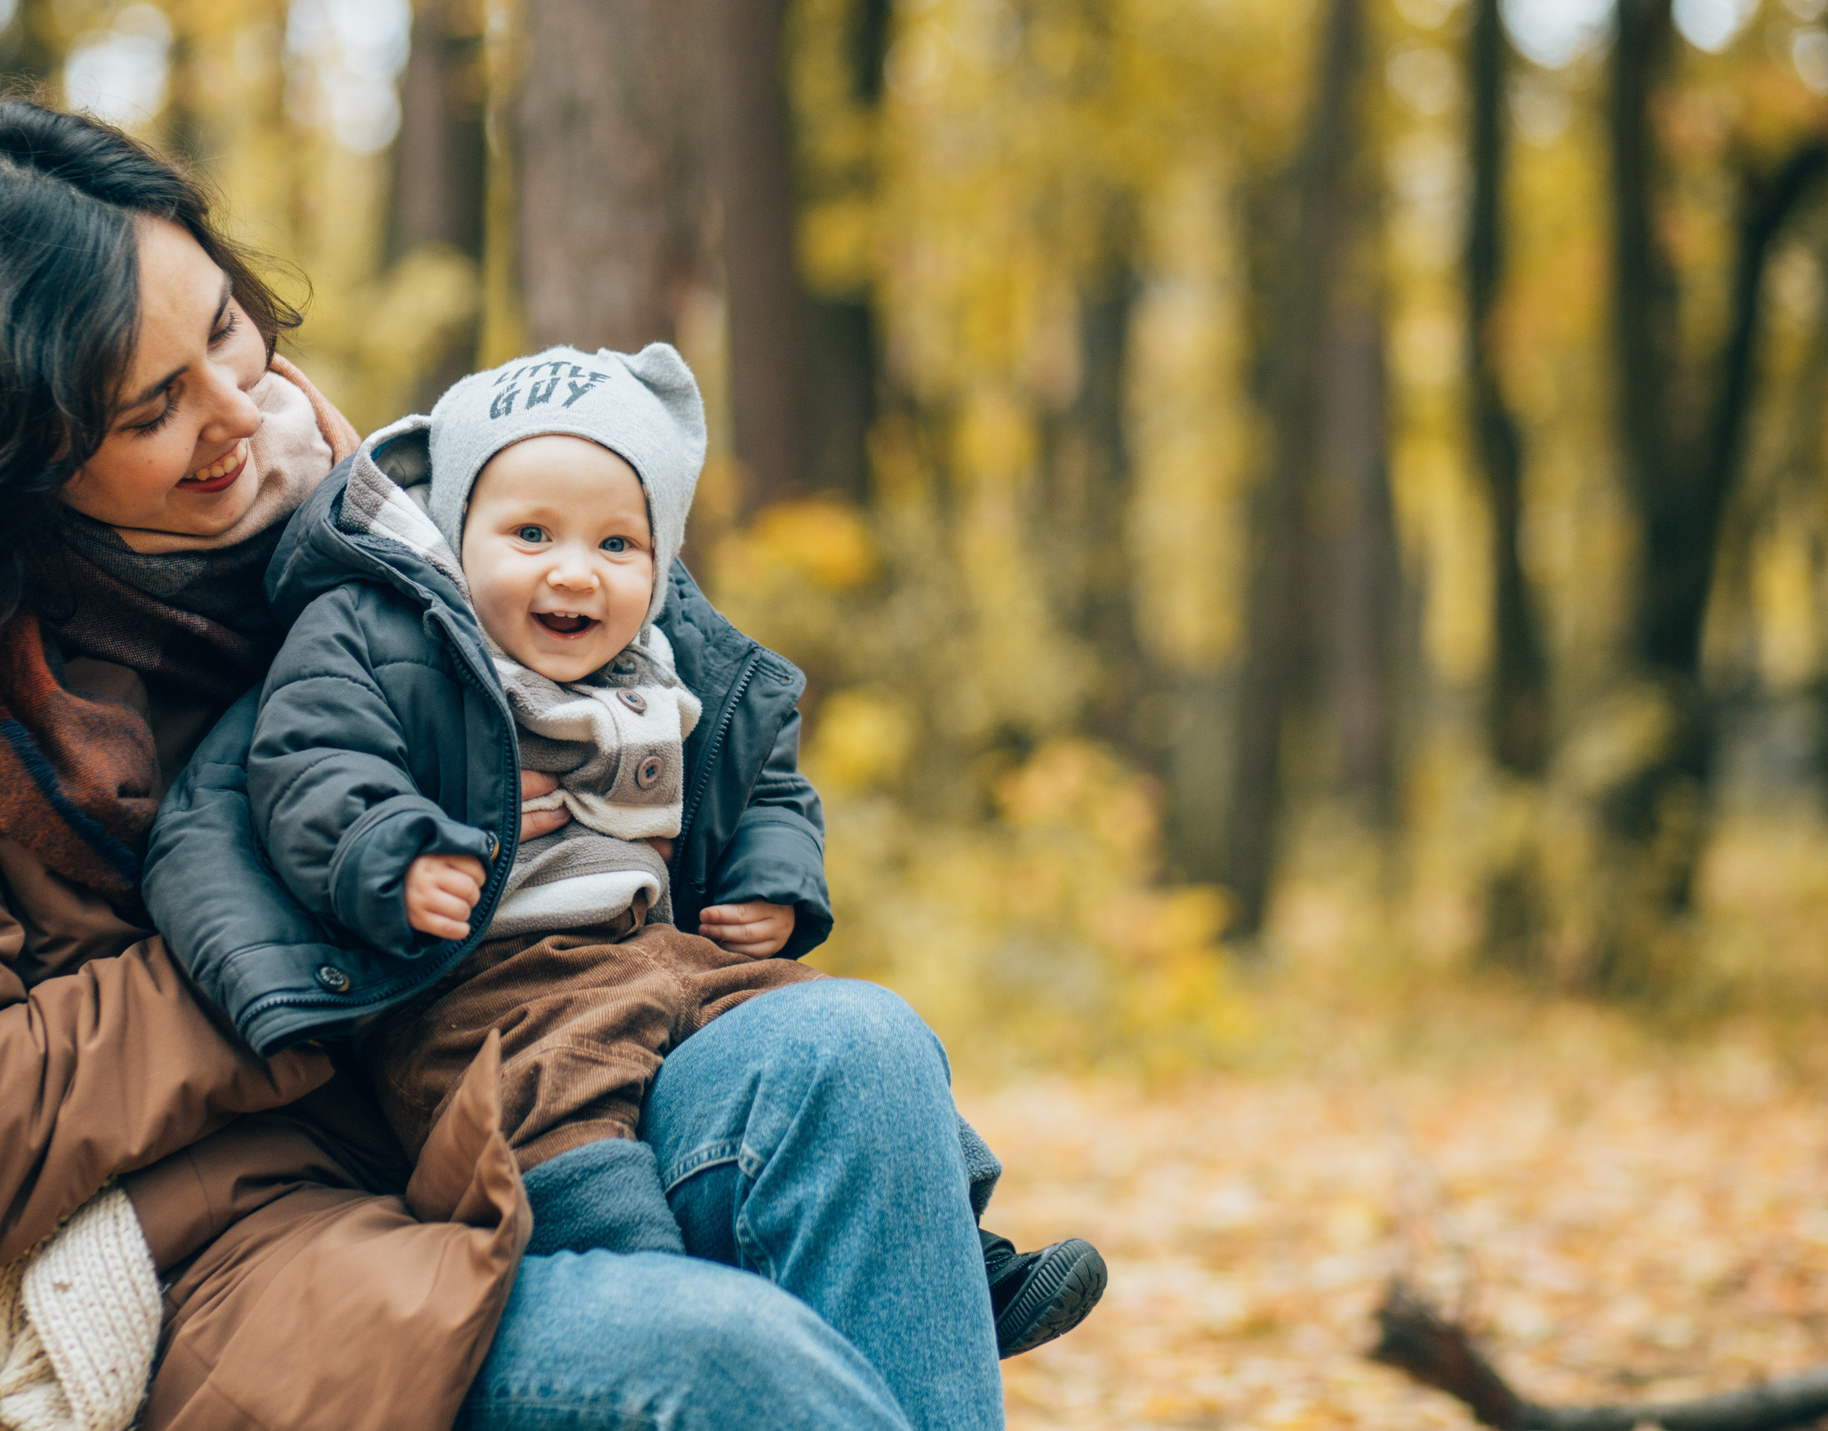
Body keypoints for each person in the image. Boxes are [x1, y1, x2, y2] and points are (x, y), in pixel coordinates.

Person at [0, 99, 1023, 1431]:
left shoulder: (385, 518)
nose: (237, 410)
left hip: (509, 1085)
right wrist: (309, 923)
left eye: (225, 328)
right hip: (228, 1252)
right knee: (720, 1363)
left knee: (858, 1050)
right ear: (6, 457)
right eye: (150, 404)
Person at [143, 340, 1107, 1362]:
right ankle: (650, 1295)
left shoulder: (663, 663)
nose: (574, 572)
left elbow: (769, 782)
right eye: (529, 533)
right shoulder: (381, 631)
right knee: (561, 1113)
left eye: (617, 545)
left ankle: (952, 1255)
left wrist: (771, 886)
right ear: (456, 530)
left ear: (659, 563)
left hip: (656, 949)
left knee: (846, 1035)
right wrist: (398, 852)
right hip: (484, 984)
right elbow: (309, 760)